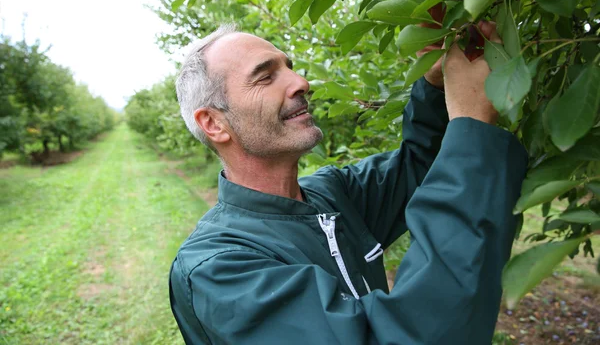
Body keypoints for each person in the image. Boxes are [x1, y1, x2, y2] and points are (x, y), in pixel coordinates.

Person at [169, 21, 528, 345]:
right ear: (214, 123)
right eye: (265, 76)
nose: (301, 82)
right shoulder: (220, 270)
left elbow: (420, 165)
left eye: (289, 67)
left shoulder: (333, 195)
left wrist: (434, 84)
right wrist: (471, 125)